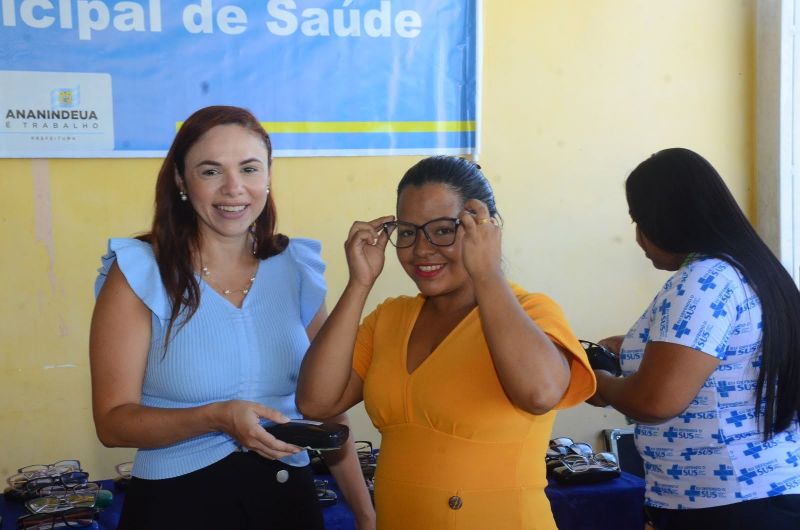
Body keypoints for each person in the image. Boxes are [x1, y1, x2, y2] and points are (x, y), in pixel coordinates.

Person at [89, 105, 375, 530]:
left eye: (249, 168)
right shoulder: (138, 270)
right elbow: (113, 422)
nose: (234, 189)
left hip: (287, 503)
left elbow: (329, 408)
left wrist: (366, 513)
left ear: (268, 176)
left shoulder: (296, 266)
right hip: (176, 507)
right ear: (181, 181)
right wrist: (217, 417)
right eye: (210, 171)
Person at [296, 155, 596, 529]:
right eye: (407, 232)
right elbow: (316, 402)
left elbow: (540, 393)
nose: (421, 249)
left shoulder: (531, 312)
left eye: (442, 230)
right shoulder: (390, 318)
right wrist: (359, 284)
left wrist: (486, 273)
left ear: (483, 229)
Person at [588, 148, 800, 529]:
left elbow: (655, 401)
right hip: (766, 491)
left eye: (640, 221)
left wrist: (599, 383)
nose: (638, 238)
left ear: (666, 220)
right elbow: (727, 363)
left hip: (724, 505)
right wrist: (634, 349)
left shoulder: (700, 281)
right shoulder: (752, 272)